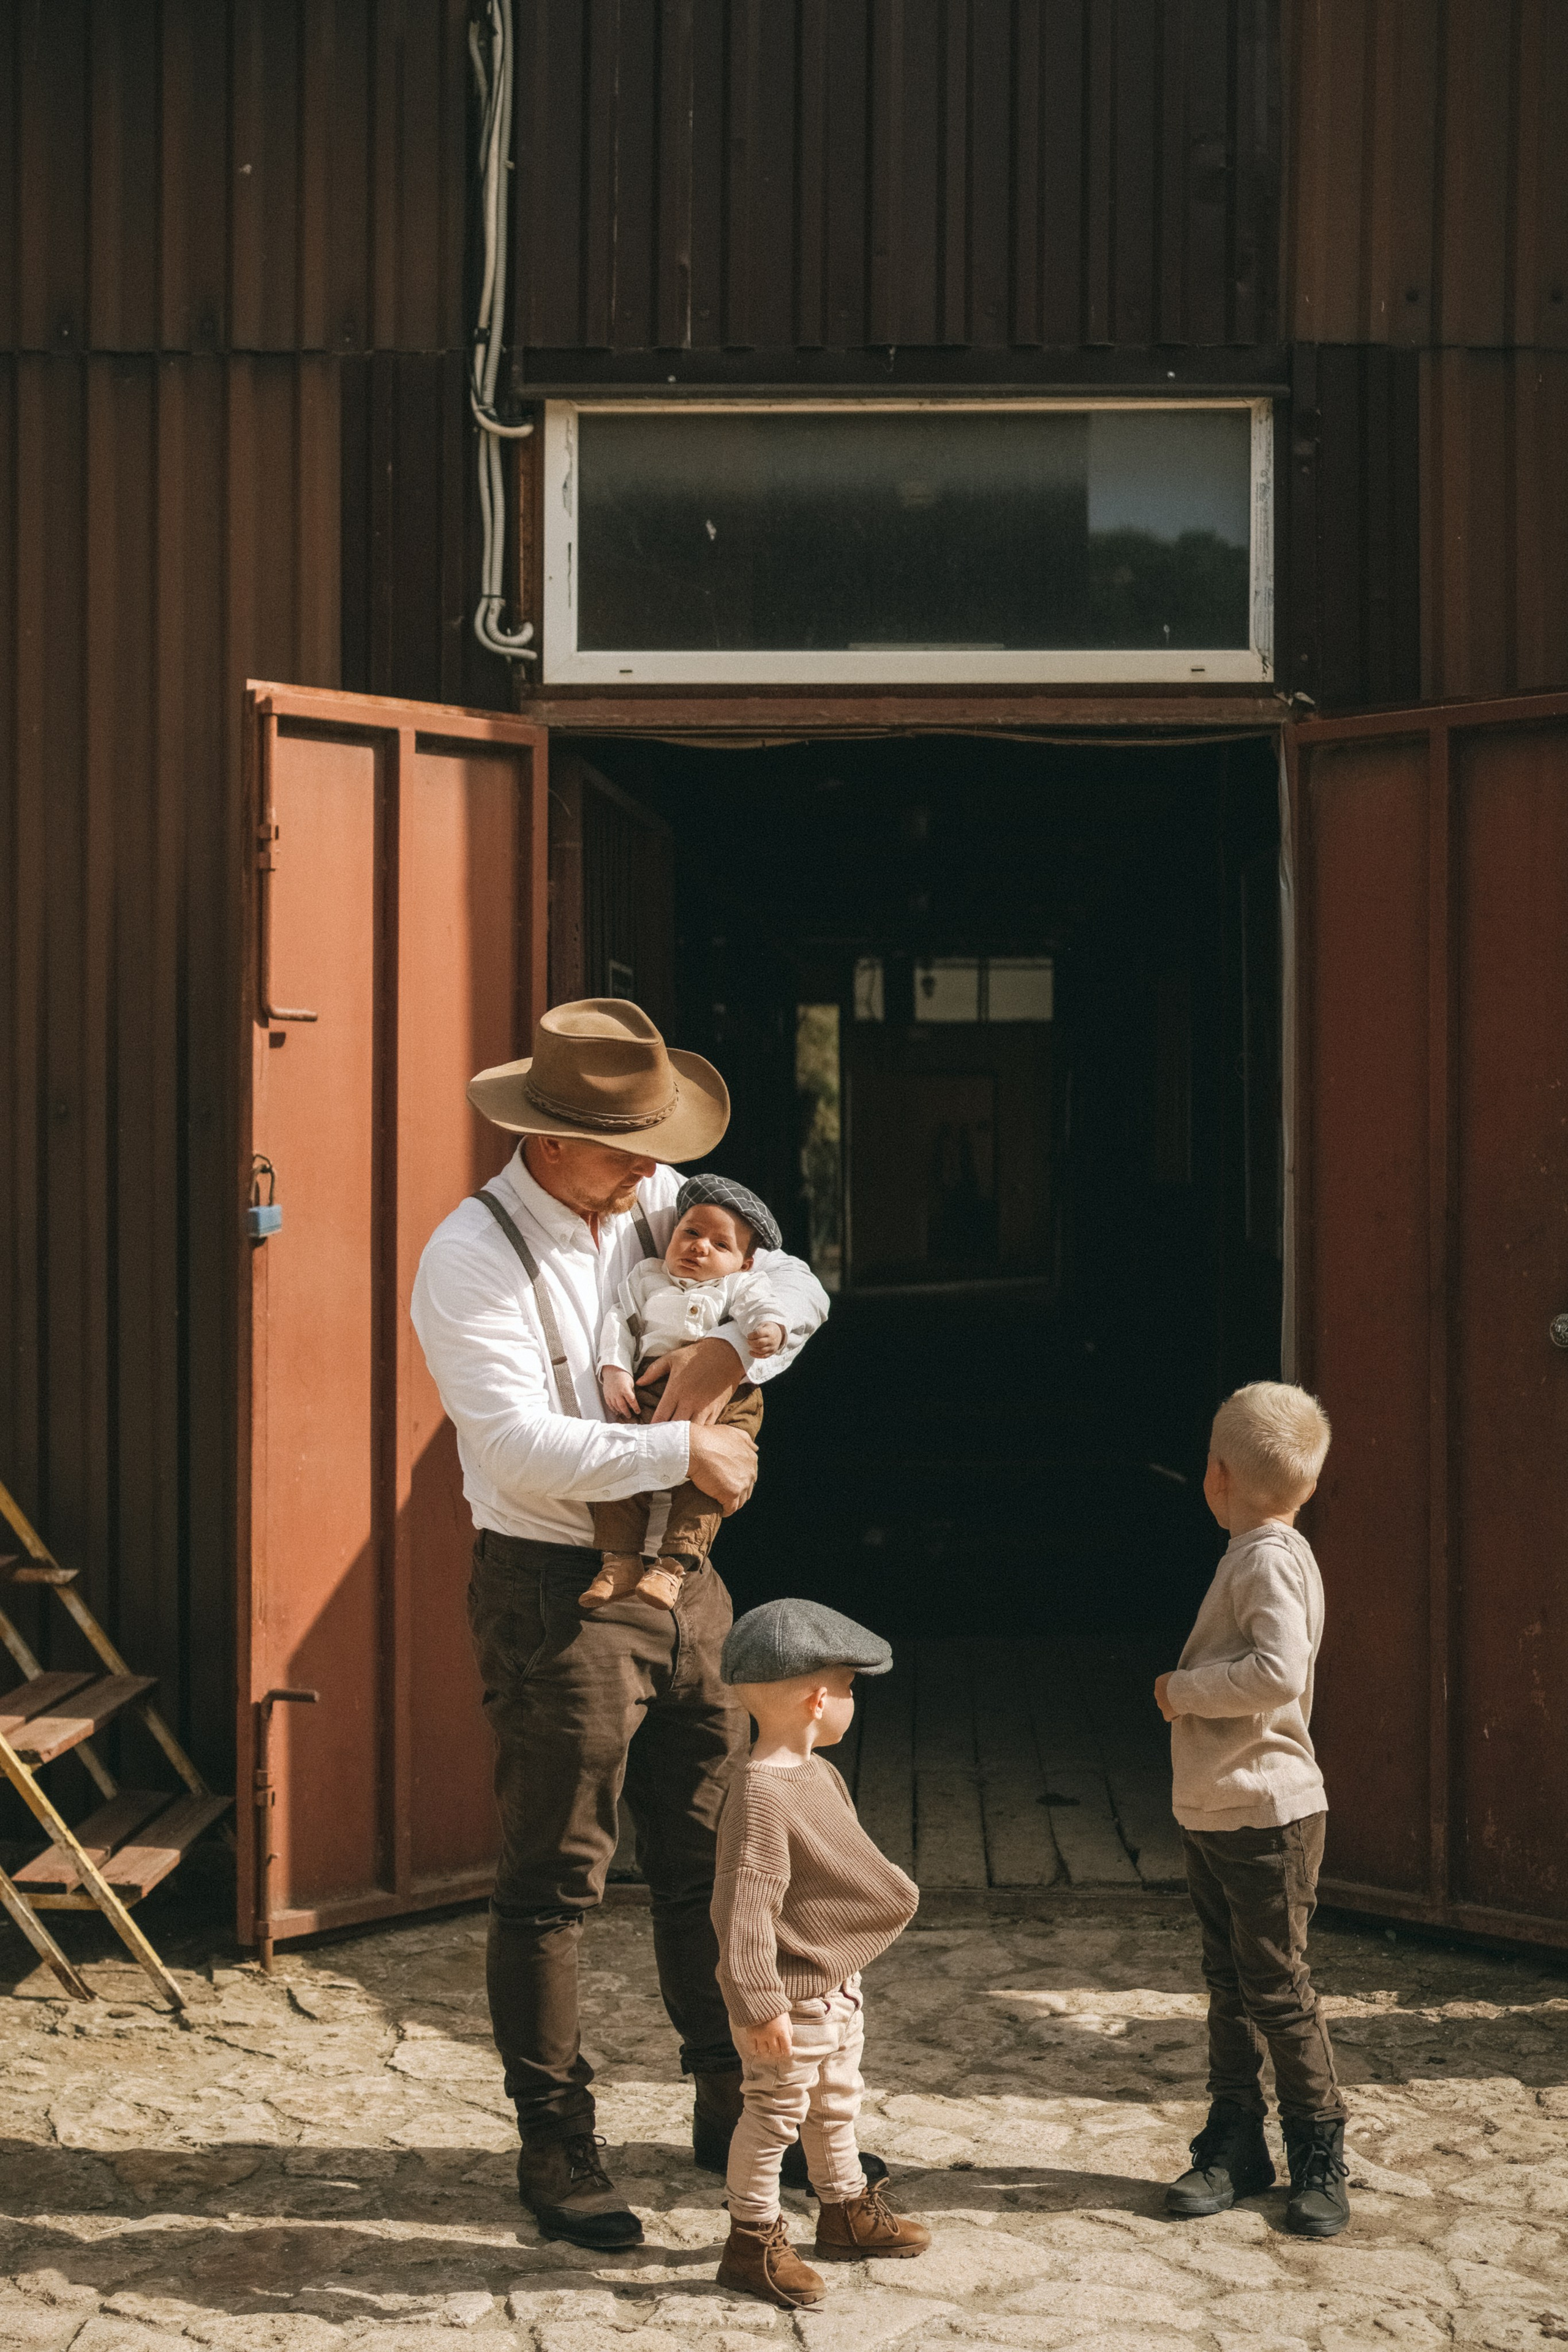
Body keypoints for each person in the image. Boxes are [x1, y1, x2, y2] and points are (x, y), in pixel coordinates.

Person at [410, 1000, 868, 2252]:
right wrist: (684, 1449)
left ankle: (734, 2101)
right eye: (624, 1148)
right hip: (551, 1587)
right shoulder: (471, 1253)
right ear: (550, 1138)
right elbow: (508, 1442)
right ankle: (555, 2141)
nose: (651, 1173)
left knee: (712, 1855)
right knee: (554, 1878)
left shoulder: (652, 1195)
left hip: (686, 1580)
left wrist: (738, 1358)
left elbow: (796, 1283)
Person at [1155, 1380, 1351, 2240]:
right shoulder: (1262, 1548)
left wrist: (1182, 1691)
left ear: (1217, 1476)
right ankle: (1237, 2141)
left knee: (1276, 1987)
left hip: (1267, 1813)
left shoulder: (1269, 1558)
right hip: (1218, 1809)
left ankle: (1319, 2149)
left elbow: (1279, 1674)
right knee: (1230, 1982)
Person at [710, 1599, 930, 2309]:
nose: (850, 1701)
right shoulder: (762, 1795)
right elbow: (744, 1910)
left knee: (835, 2104)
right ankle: (751, 2240)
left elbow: (840, 1872)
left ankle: (844, 2212)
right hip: (789, 1997)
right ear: (815, 1698)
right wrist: (758, 2004)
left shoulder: (816, 1775)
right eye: (849, 1688)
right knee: (773, 2116)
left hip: (834, 1987)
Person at [584, 1174, 788, 1614]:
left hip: (729, 1399)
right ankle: (619, 1562)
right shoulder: (646, 1277)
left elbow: (764, 1307)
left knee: (706, 1485)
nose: (700, 1248)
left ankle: (672, 1568)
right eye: (691, 1233)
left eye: (721, 1245)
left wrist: (769, 1330)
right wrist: (615, 1371)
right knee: (624, 1468)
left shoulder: (739, 1286)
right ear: (672, 1235)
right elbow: (620, 1322)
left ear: (745, 1264)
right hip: (650, 1388)